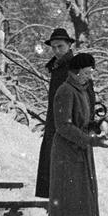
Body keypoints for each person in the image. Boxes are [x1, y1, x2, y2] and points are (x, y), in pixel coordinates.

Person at [47, 51, 108, 216]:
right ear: (76, 71)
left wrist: (95, 127)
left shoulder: (80, 91)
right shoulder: (66, 91)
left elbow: (79, 121)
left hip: (78, 152)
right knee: (72, 202)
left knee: (77, 201)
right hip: (67, 154)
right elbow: (63, 125)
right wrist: (88, 140)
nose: (90, 76)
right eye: (87, 72)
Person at [34, 27, 75, 197]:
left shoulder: (74, 67)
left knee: (66, 169)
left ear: (69, 46)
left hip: (68, 124)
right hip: (54, 122)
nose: (57, 51)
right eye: (54, 47)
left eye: (60, 46)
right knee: (53, 165)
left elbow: (85, 96)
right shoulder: (57, 67)